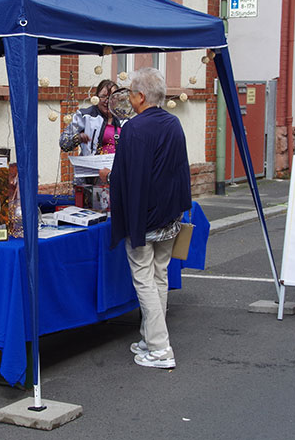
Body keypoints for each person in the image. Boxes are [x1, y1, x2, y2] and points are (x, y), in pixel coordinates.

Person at [99, 67, 191, 369]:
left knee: (145, 281)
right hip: (168, 216)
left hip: (144, 219)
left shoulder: (136, 129)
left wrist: (109, 177)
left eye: (132, 93)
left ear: (139, 96)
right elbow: (178, 172)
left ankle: (161, 349)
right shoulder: (173, 123)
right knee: (159, 277)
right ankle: (151, 336)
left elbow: (129, 178)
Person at [59, 79, 125, 156]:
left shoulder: (124, 119)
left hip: (118, 167)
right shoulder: (84, 116)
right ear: (96, 97)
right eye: (103, 96)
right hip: (92, 166)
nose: (107, 101)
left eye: (112, 97)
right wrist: (77, 138)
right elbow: (64, 143)